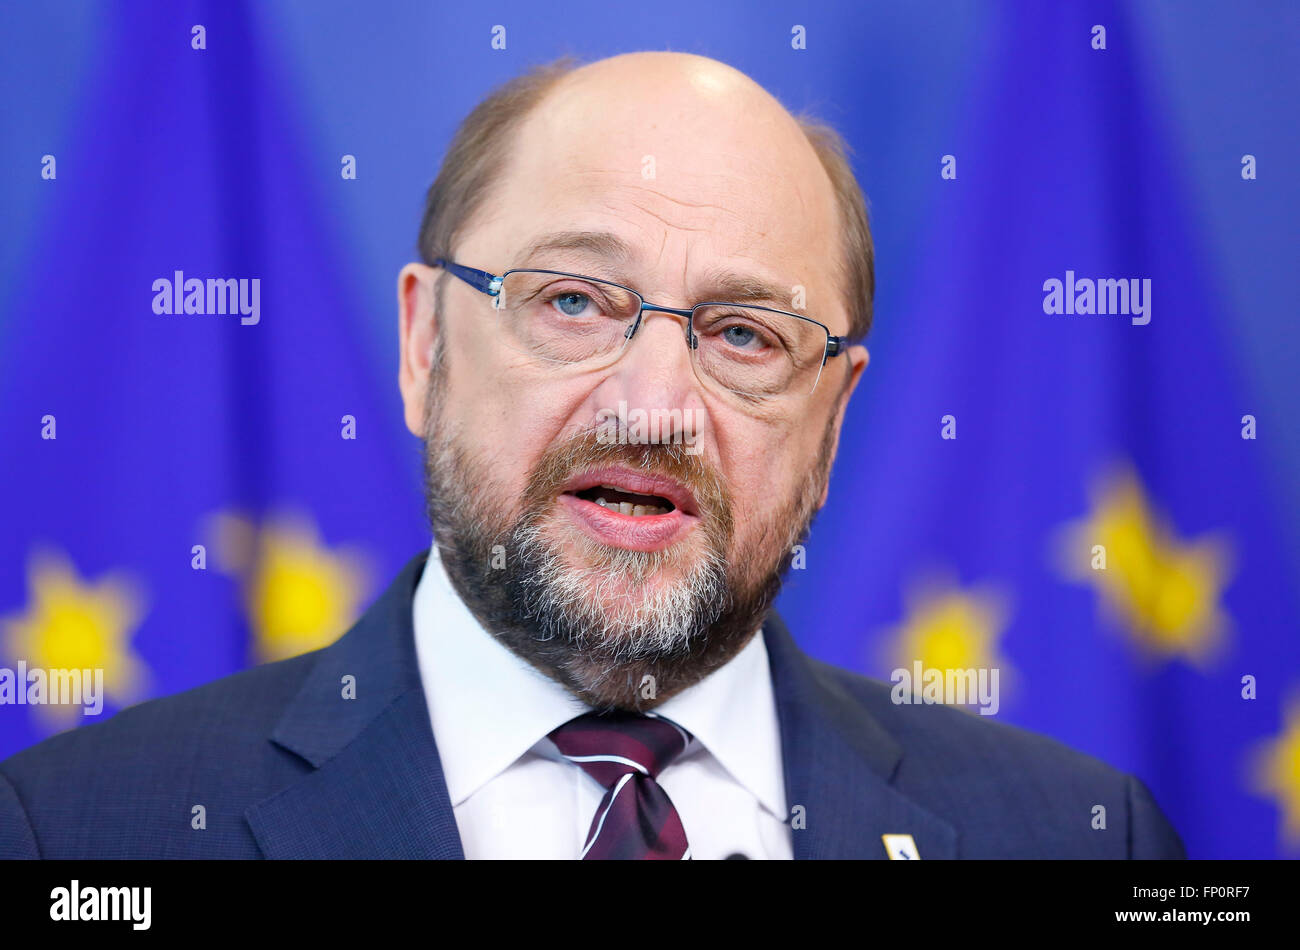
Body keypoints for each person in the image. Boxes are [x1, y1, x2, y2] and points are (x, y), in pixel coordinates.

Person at [0, 51, 1184, 860]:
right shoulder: (83, 830)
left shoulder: (1081, 832)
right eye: (571, 300)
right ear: (424, 343)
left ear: (829, 421)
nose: (652, 405)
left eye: (742, 334)